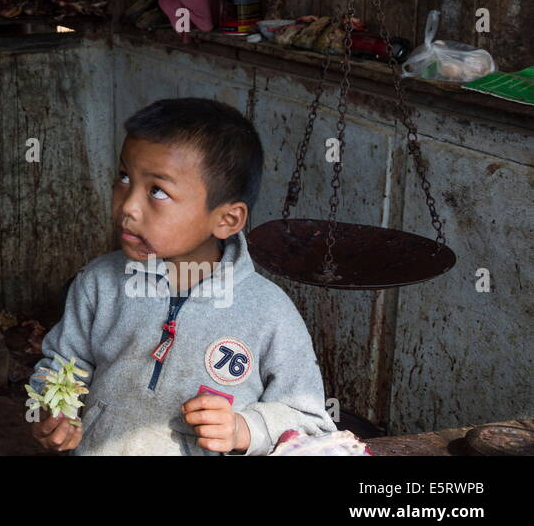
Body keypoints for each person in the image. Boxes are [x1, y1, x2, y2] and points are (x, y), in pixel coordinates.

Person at [30, 98, 335, 455]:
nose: (128, 205)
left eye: (158, 190)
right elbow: (61, 366)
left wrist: (244, 429)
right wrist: (50, 409)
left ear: (226, 220)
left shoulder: (269, 313)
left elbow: (310, 420)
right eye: (124, 177)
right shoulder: (98, 282)